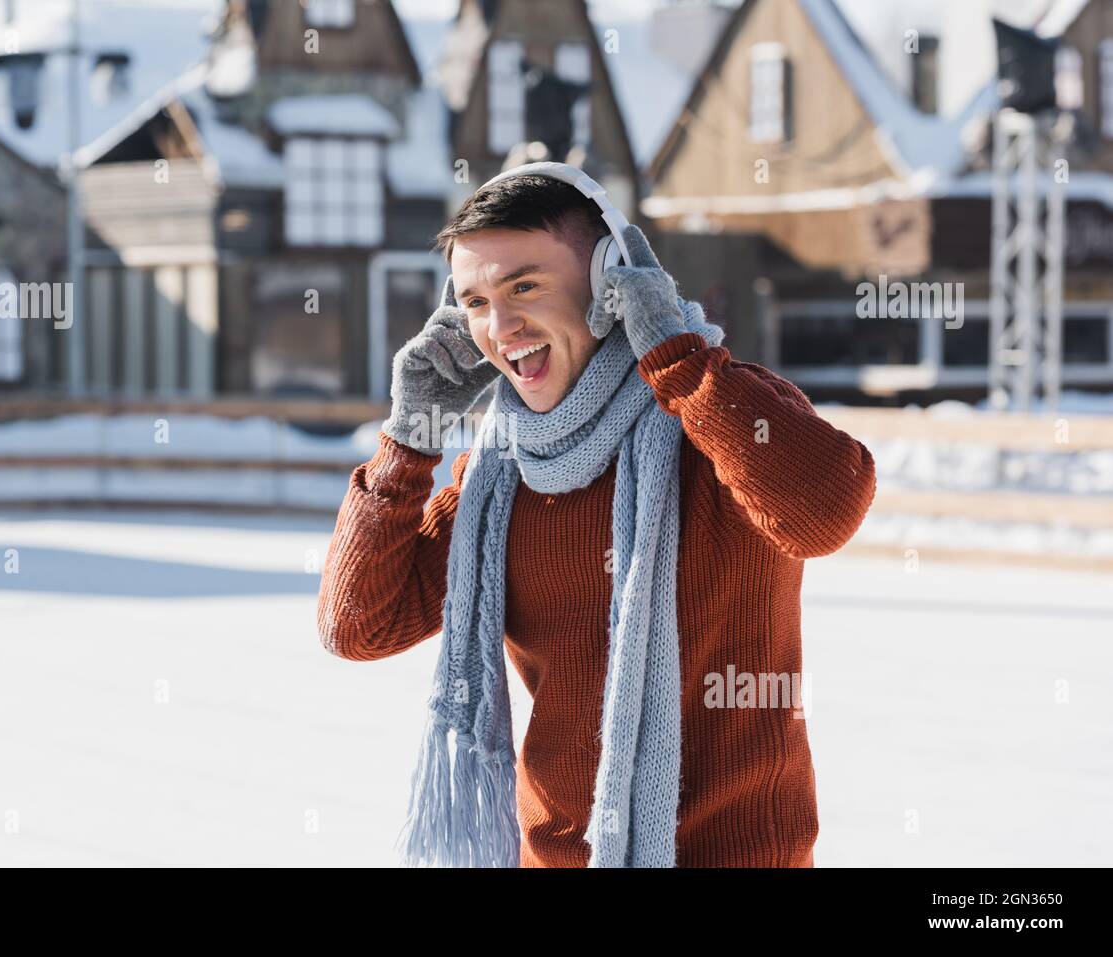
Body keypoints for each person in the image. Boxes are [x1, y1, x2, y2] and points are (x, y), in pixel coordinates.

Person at [316, 167, 877, 868]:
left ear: (613, 283)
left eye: (525, 286)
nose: (502, 326)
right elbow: (355, 625)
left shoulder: (720, 418)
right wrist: (409, 438)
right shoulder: (498, 478)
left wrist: (677, 359)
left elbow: (827, 511)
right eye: (477, 301)